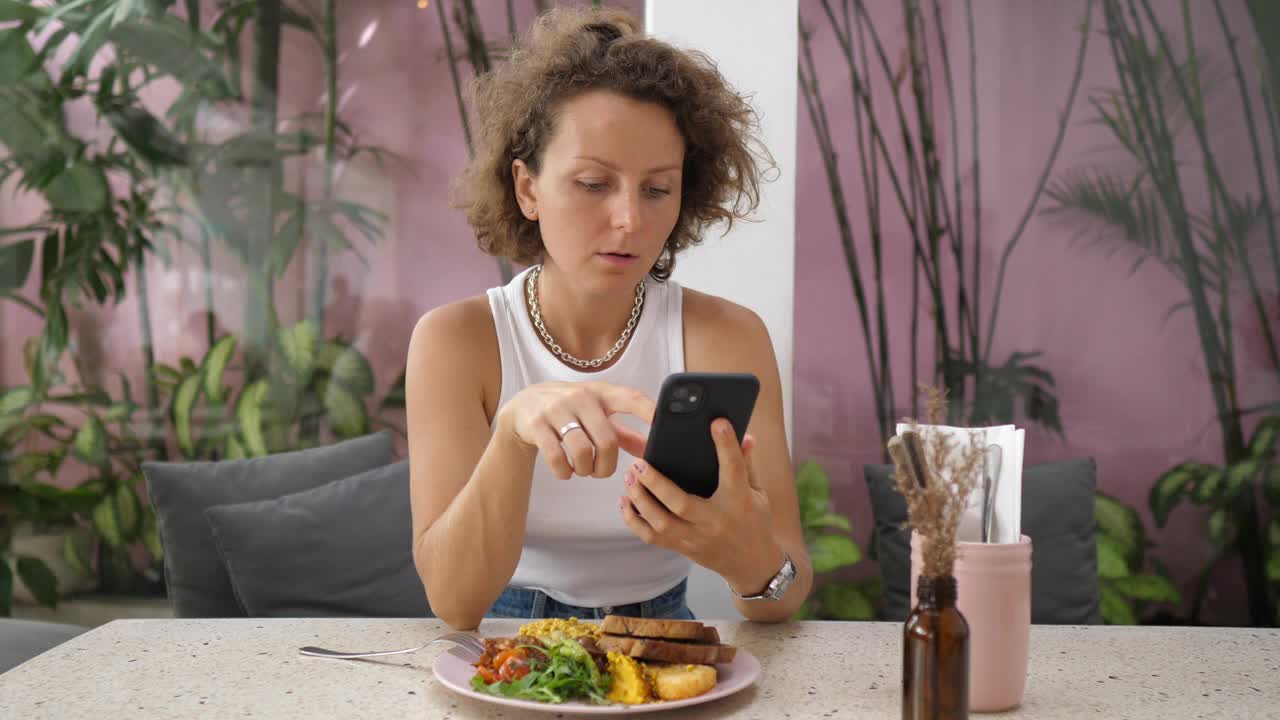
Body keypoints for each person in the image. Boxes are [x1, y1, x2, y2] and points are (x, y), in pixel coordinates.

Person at [406, 6, 812, 630]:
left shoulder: (727, 337)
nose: (630, 220)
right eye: (594, 183)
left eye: (656, 190)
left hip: (662, 637)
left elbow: (786, 592)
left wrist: (749, 558)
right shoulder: (455, 343)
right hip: (509, 643)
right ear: (527, 188)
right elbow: (456, 605)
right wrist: (514, 432)